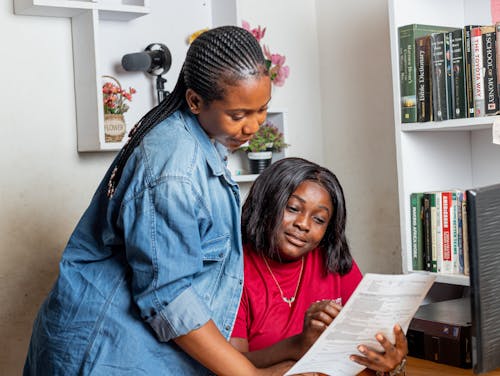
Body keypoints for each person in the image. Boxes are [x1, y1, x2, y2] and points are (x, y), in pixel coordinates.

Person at [24, 26, 293, 376]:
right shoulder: (174, 168)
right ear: (195, 101)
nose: (254, 126)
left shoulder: (203, 140)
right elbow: (168, 297)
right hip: (104, 352)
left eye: (262, 110)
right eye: (239, 115)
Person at [230, 157, 408, 375]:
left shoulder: (334, 262)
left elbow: (367, 347)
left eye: (319, 219)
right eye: (293, 208)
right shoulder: (234, 270)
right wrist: (298, 346)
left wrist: (391, 360)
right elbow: (231, 363)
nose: (303, 225)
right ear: (266, 204)